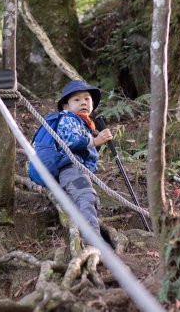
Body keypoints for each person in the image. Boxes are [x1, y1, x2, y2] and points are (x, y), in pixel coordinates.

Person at [55, 80, 113, 243]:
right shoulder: (67, 119)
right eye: (77, 100)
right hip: (70, 169)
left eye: (87, 99)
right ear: (66, 106)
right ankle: (93, 244)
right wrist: (95, 141)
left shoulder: (82, 123)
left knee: (88, 199)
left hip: (77, 169)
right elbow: (70, 142)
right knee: (86, 197)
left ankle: (86, 240)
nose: (83, 103)